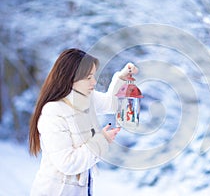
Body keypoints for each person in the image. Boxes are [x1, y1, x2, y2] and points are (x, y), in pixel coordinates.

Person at [29, 48, 138, 196]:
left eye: (93, 76)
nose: (94, 81)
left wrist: (121, 78)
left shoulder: (87, 99)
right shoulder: (53, 111)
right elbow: (68, 162)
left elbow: (110, 104)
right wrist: (102, 140)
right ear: (71, 78)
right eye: (88, 77)